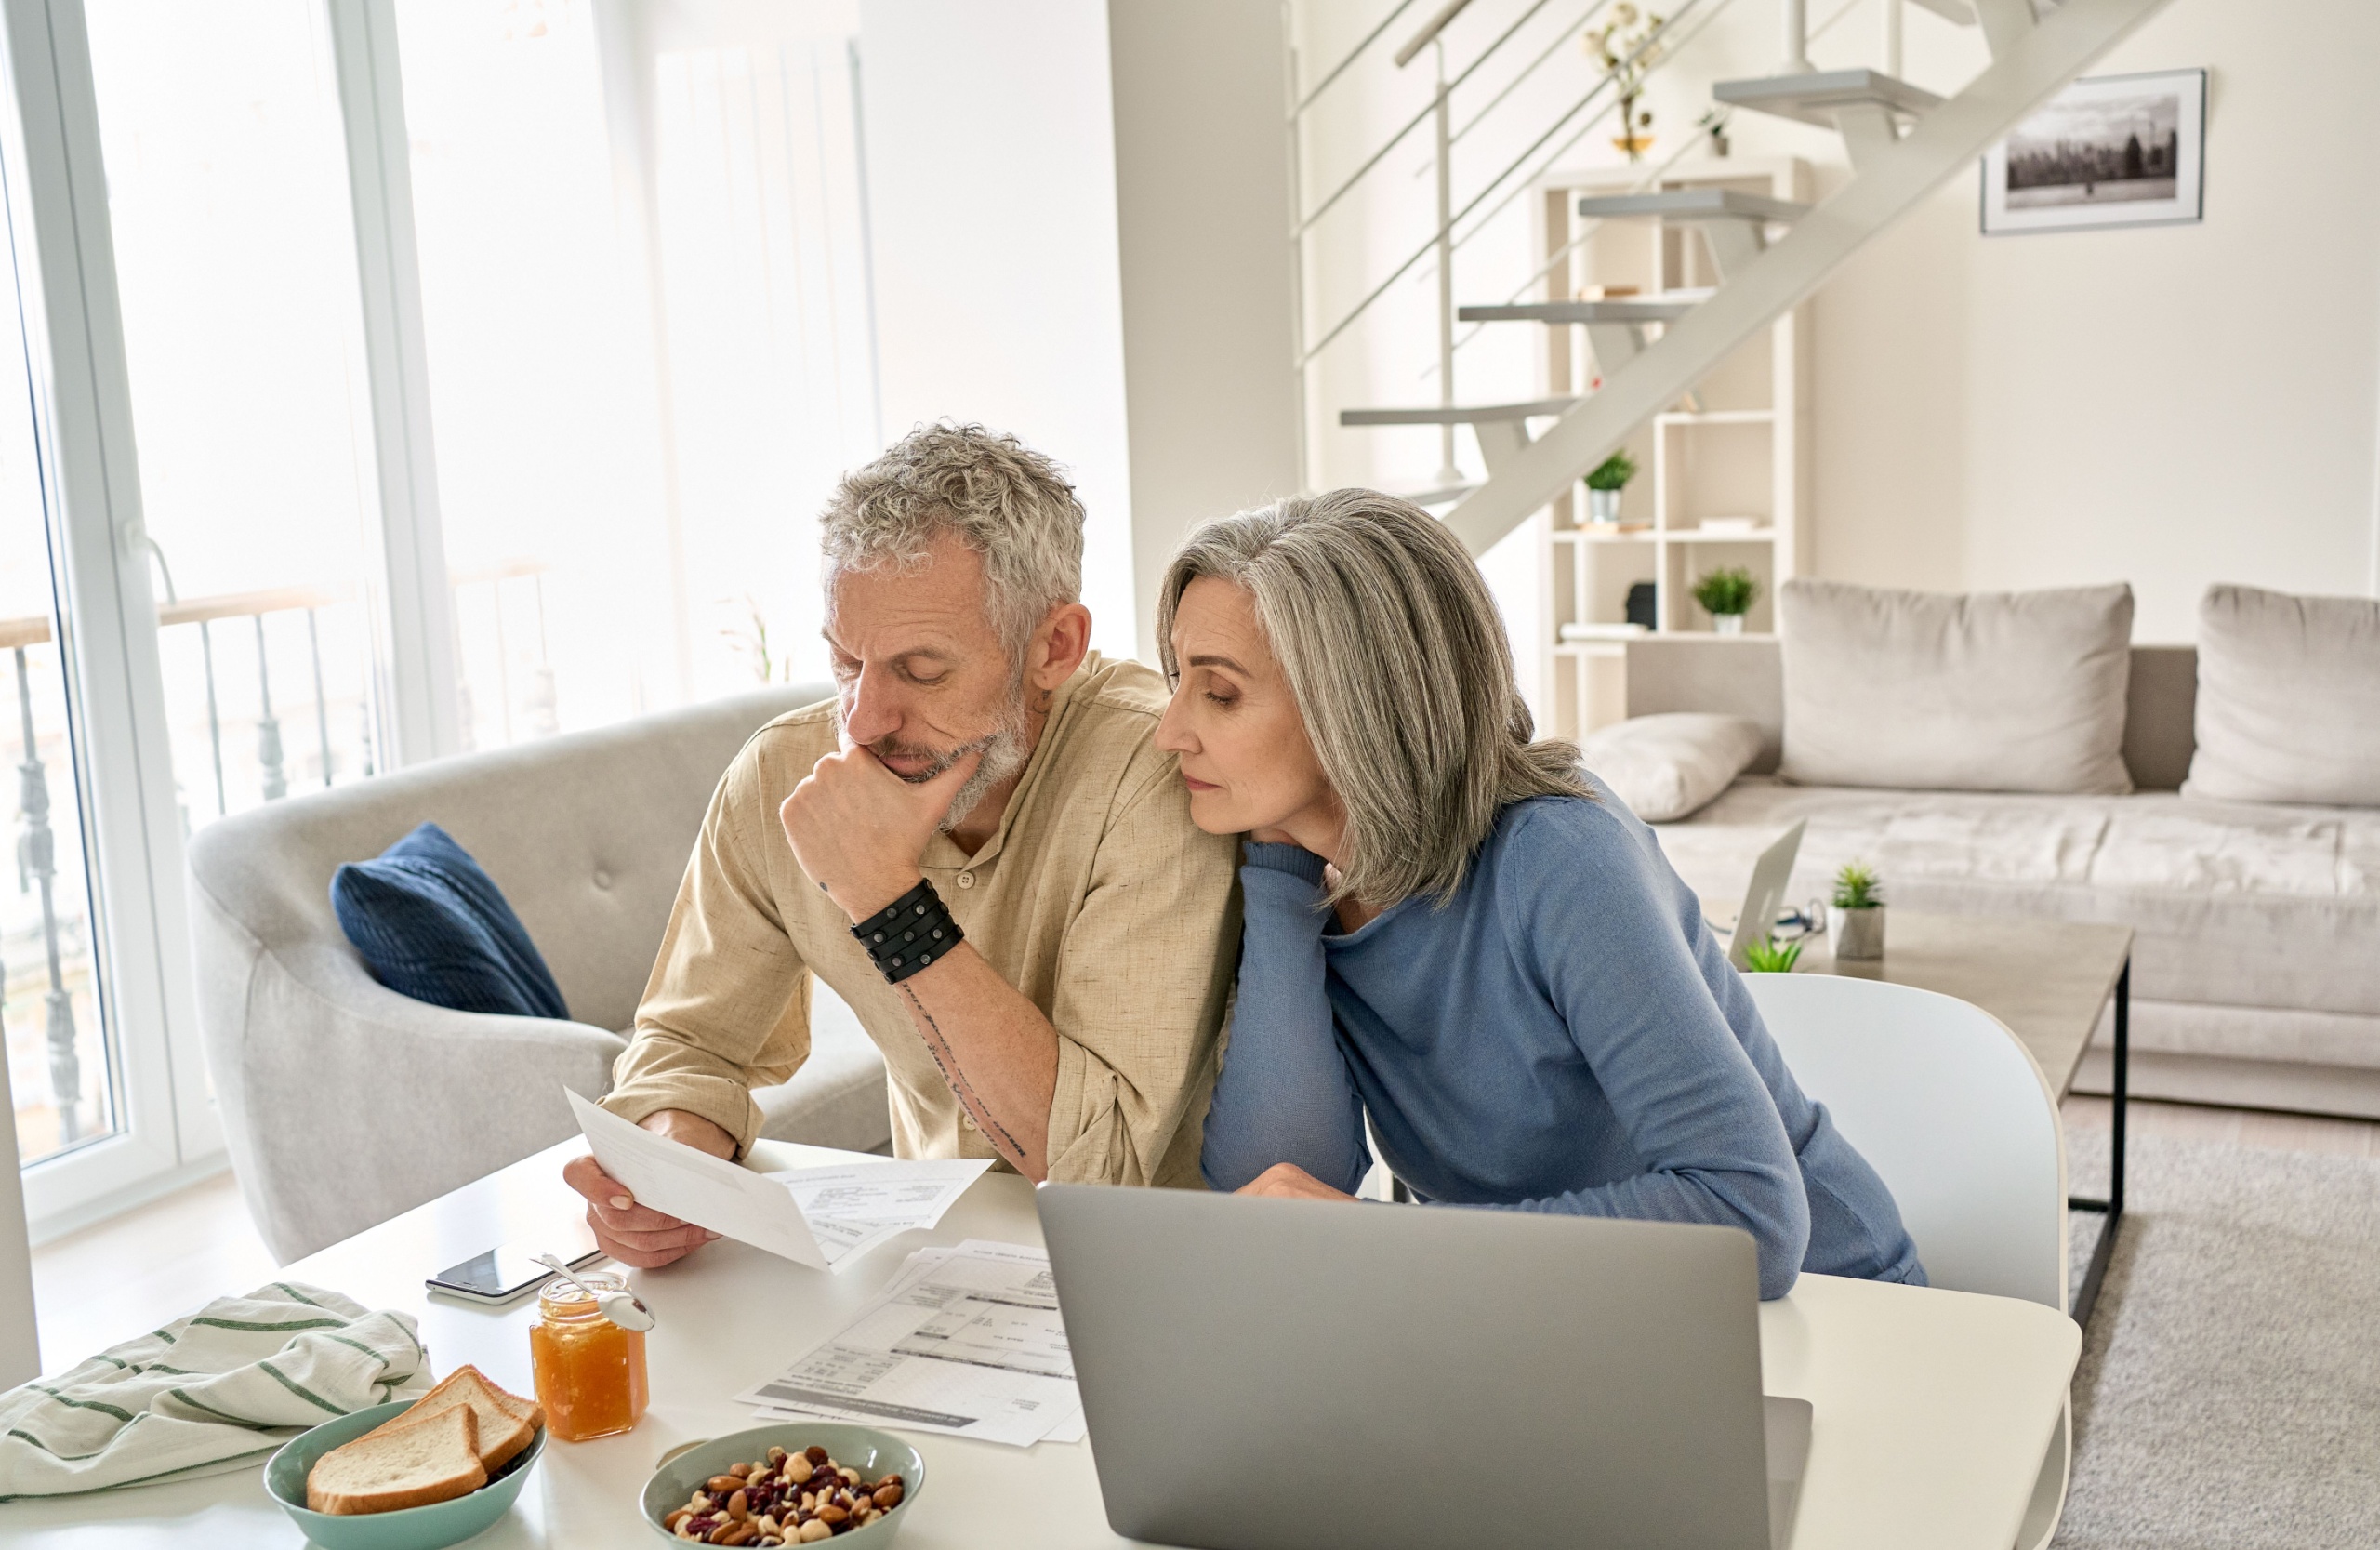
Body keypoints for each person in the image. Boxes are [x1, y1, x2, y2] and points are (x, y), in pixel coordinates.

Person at [1159, 489, 1922, 1299]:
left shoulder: (1559, 857)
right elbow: (1275, 1191)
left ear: (1354, 705)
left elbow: (1751, 1215)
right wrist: (1279, 880)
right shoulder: (1312, 876)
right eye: (1177, 680)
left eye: (1220, 693)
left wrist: (1395, 1237)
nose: (1169, 728)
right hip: (1560, 1317)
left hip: (1824, 1314)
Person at [567, 423, 1240, 1267]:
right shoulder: (783, 771)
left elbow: (1093, 1166)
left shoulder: (1156, 772)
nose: (863, 719)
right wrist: (673, 1161)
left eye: (922, 671)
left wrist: (890, 904)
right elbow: (689, 1045)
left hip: (1155, 1270)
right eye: (848, 661)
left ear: (1054, 647)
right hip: (928, 1267)